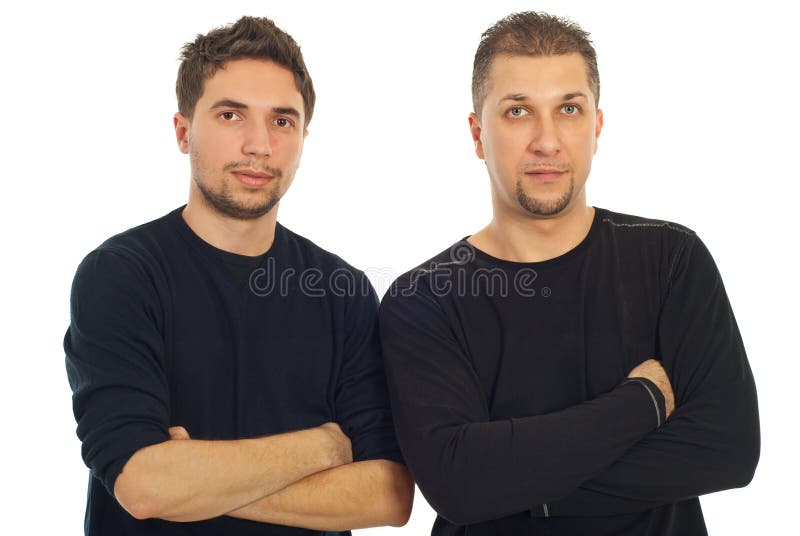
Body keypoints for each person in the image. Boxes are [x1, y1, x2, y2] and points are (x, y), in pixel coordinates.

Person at [379, 11, 759, 536]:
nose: (548, 140)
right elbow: (457, 485)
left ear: (596, 126)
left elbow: (728, 449)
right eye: (517, 111)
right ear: (476, 133)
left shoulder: (671, 260)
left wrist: (513, 484)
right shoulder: (424, 300)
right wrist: (641, 404)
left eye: (569, 109)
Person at [64, 16, 413, 536]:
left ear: (303, 136)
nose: (259, 145)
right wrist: (324, 447)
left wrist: (196, 482)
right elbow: (144, 487)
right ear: (183, 131)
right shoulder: (119, 276)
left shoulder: (343, 292)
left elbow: (389, 495)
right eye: (231, 115)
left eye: (282, 121)